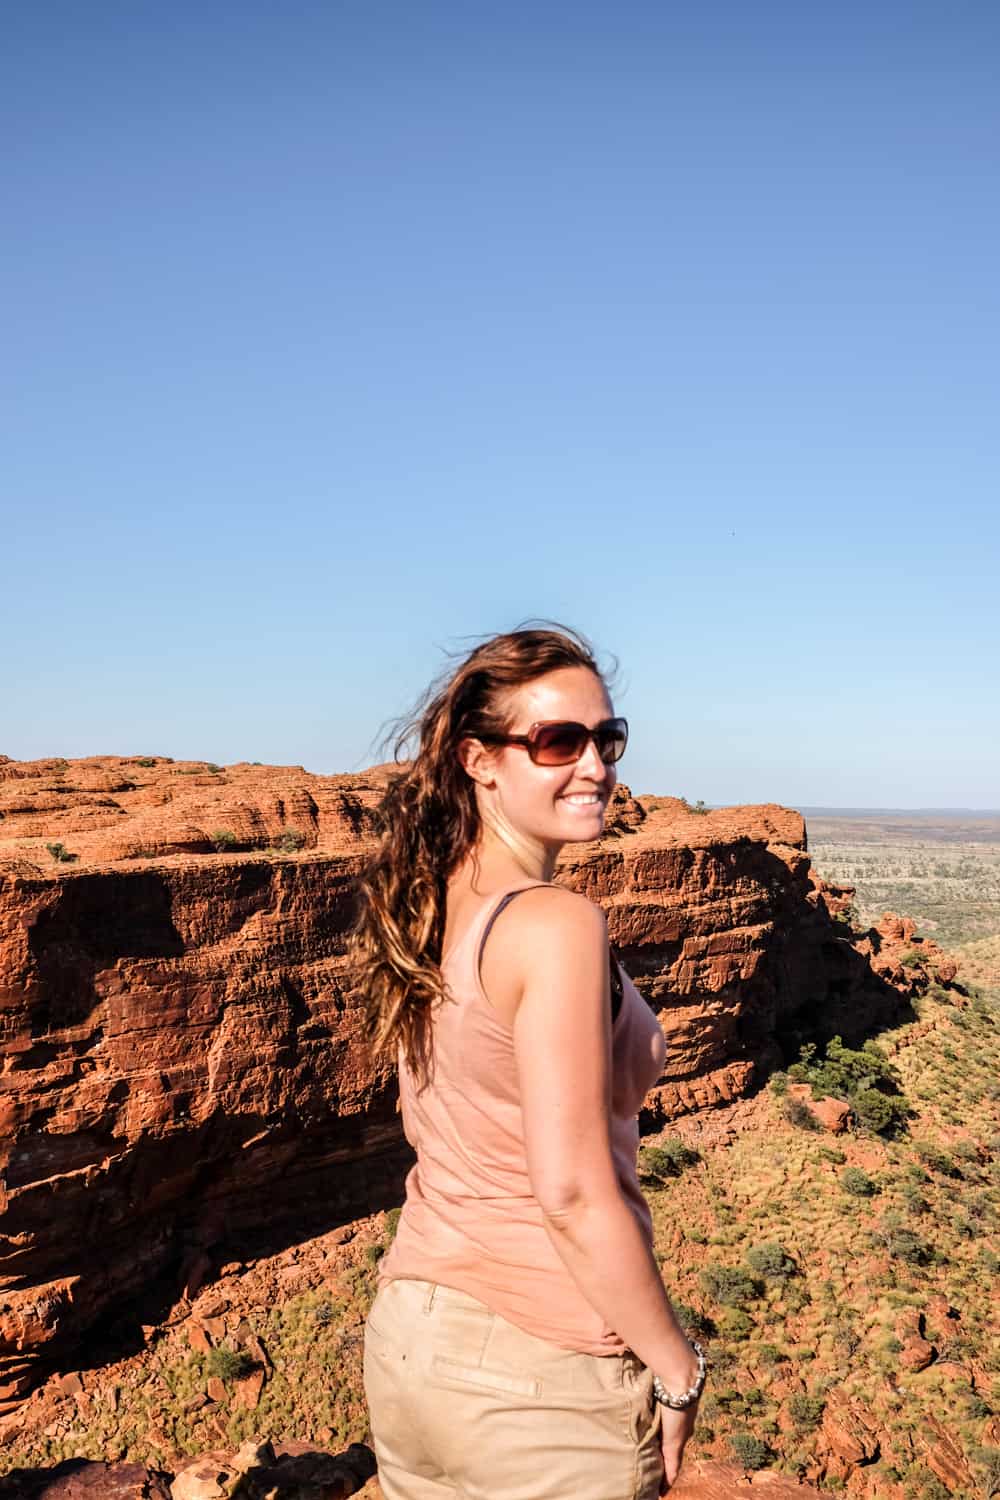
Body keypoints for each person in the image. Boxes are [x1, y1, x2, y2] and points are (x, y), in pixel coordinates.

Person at [351, 623, 705, 1500]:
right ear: (480, 760)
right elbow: (574, 1194)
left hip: (413, 1344)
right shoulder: (553, 925)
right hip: (539, 1378)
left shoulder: (428, 903)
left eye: (606, 738)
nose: (595, 765)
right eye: (558, 741)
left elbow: (436, 1116)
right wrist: (676, 1367)